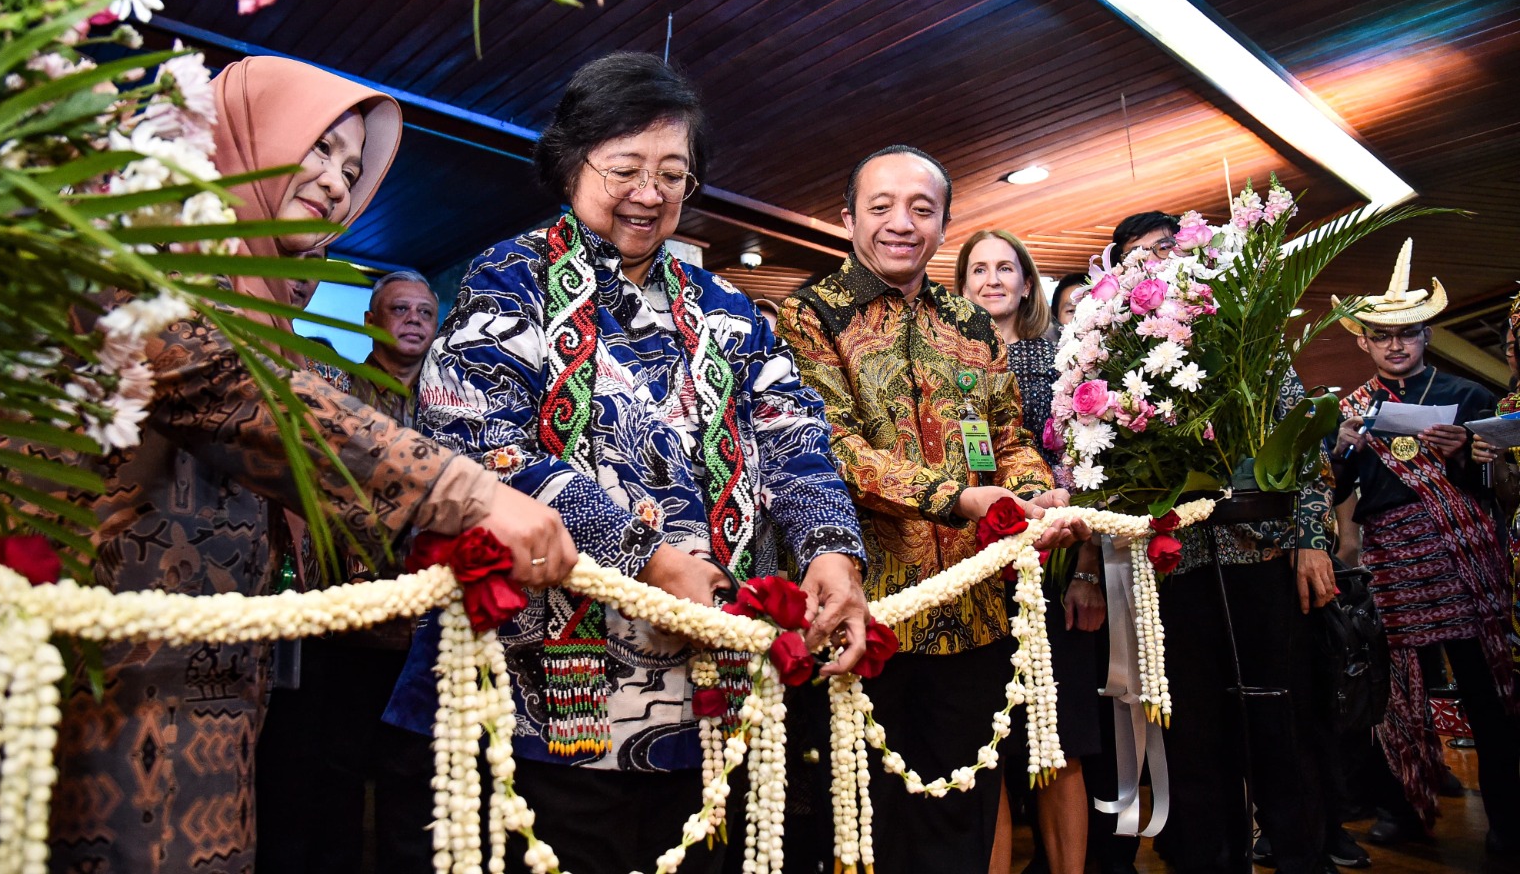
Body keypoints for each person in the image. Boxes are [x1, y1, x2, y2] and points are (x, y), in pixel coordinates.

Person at [0, 57, 575, 874]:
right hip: (78, 681)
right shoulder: (134, 227)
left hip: (209, 692)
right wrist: (461, 493)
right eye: (318, 148)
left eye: (351, 169)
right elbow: (213, 381)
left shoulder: (264, 301)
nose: (336, 182)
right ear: (247, 130)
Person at [384, 52, 867, 874]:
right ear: (573, 161)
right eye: (626, 169)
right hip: (552, 684)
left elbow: (793, 434)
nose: (650, 194)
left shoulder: (729, 310)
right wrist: (643, 557)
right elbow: (477, 445)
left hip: (709, 682)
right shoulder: (511, 279)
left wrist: (831, 548)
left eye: (673, 174)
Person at [776, 146, 1082, 874]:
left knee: (965, 815)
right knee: (867, 824)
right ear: (849, 218)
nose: (901, 223)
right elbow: (829, 445)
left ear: (945, 222)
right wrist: (958, 499)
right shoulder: (808, 314)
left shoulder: (971, 323)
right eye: (881, 207)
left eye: (922, 208)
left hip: (974, 615)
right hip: (865, 613)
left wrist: (1035, 496)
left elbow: (1007, 436)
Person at [1107, 210, 1341, 874]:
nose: (1147, 264)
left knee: (1280, 722)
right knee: (1196, 736)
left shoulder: (1246, 335)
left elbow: (1302, 443)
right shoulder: (1120, 363)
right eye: (1132, 257)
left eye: (1158, 250)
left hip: (1261, 559)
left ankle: (1301, 854)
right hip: (1176, 573)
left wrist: (1310, 539)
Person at [1330, 239, 1519, 854]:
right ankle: (1404, 809)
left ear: (1426, 335)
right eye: (1381, 335)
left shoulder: (1470, 397)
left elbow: (1501, 489)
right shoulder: (1351, 409)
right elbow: (1335, 492)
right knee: (1397, 694)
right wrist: (1341, 450)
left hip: (1463, 554)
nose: (1395, 345)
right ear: (1363, 340)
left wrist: (1466, 455)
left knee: (1488, 692)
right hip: (1392, 559)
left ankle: (1508, 824)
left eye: (1407, 333)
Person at [258, 269, 446, 873]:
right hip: (337, 623)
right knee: (323, 779)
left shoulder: (452, 401)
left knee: (413, 779)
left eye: (424, 311)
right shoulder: (335, 383)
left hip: (422, 637)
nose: (413, 319)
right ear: (371, 321)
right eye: (400, 309)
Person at [956, 230, 1105, 874]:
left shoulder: (1062, 360)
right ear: (959, 285)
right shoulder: (946, 365)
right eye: (977, 268)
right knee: (983, 749)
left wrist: (1089, 571)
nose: (991, 279)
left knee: (1059, 740)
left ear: (1027, 282)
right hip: (973, 572)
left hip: (1054, 568)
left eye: (1005, 267)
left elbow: (1090, 471)